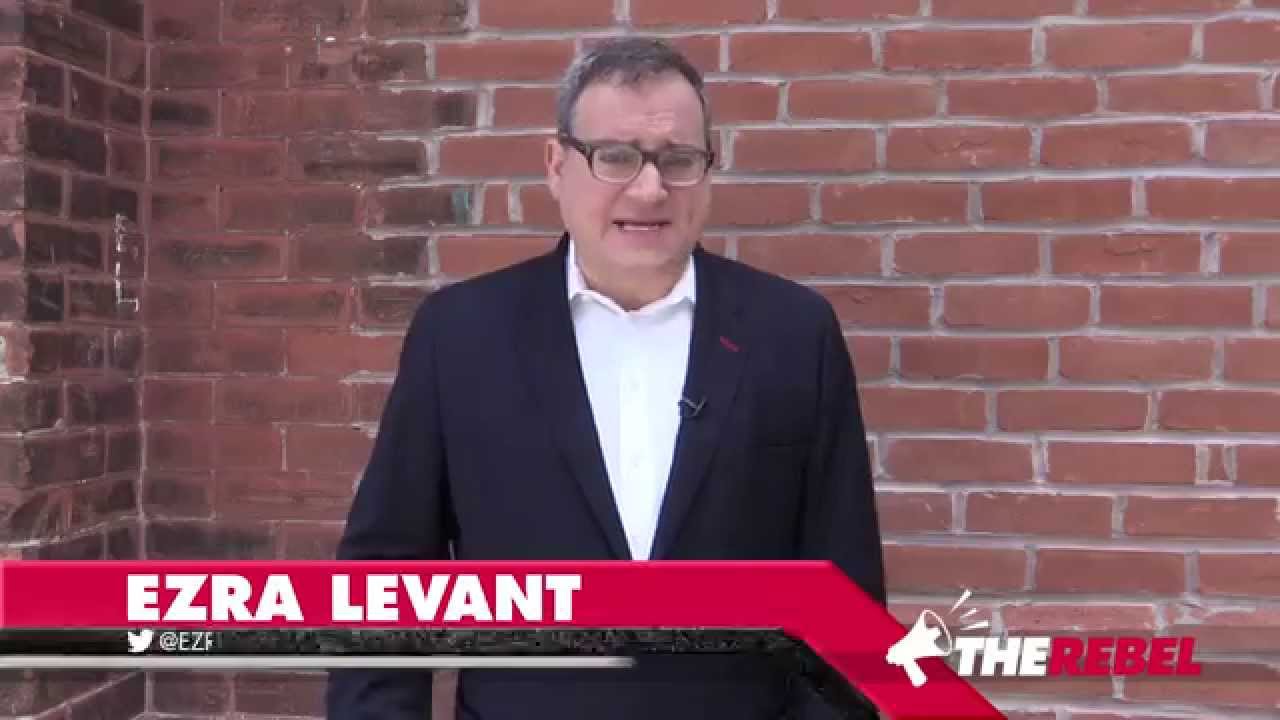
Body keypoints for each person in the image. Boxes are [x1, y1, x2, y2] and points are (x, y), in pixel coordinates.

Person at [326, 36, 885, 720]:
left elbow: (844, 602)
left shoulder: (792, 335)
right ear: (556, 165)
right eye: (616, 157)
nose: (649, 189)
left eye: (678, 159)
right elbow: (386, 581)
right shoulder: (462, 336)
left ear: (708, 168)